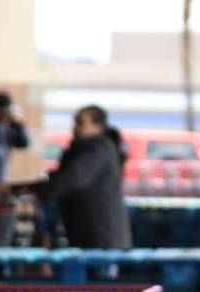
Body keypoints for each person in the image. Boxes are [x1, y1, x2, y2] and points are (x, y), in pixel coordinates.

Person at [14, 105, 131, 249]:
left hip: (102, 238)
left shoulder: (99, 149)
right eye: (75, 122)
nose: (75, 127)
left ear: (98, 127)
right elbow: (61, 177)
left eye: (81, 123)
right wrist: (22, 189)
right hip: (87, 234)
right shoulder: (84, 150)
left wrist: (38, 196)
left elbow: (71, 178)